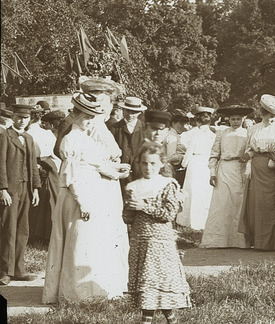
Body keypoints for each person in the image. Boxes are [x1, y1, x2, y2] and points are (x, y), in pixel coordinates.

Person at [42, 92, 130, 303]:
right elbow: (72, 177)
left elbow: (97, 164)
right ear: (76, 116)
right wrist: (83, 202)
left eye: (93, 118)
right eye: (87, 118)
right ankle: (77, 293)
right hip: (78, 196)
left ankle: (91, 287)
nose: (90, 122)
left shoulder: (85, 138)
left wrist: (117, 170)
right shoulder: (71, 140)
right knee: (80, 240)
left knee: (91, 240)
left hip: (91, 190)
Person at [123, 142, 191, 324]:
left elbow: (168, 214)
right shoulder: (134, 186)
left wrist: (144, 206)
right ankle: (171, 320)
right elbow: (127, 218)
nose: (148, 168)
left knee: (156, 286)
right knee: (148, 289)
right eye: (144, 163)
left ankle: (159, 320)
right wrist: (130, 205)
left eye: (153, 163)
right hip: (140, 242)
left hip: (159, 243)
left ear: (161, 164)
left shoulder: (167, 184)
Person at [238, 95, 275, 251]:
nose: (272, 119)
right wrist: (247, 156)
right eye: (270, 116)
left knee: (274, 204)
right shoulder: (252, 129)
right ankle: (260, 242)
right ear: (262, 114)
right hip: (257, 169)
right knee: (259, 204)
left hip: (274, 169)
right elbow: (250, 149)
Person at [201, 105, 253, 248]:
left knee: (238, 202)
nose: (235, 122)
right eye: (233, 119)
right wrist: (212, 172)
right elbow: (214, 154)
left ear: (243, 119)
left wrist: (248, 166)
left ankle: (239, 241)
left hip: (240, 168)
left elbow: (251, 152)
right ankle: (220, 240)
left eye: (238, 119)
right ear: (228, 119)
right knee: (223, 203)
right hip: (224, 168)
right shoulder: (222, 133)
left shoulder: (247, 133)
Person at [0, 104, 41, 285]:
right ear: (13, 118)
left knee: (23, 229)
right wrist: (2, 189)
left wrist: (36, 188)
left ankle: (18, 269)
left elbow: (33, 165)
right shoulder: (4, 137)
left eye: (25, 118)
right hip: (10, 190)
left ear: (29, 119)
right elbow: (0, 164)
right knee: (8, 229)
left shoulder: (29, 138)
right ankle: (4, 271)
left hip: (27, 189)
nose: (22, 120)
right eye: (18, 117)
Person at [176, 106, 216, 230]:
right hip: (207, 164)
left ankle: (191, 221)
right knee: (205, 192)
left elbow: (189, 150)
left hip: (195, 163)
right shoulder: (214, 134)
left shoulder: (193, 133)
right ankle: (203, 221)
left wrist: (184, 164)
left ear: (197, 120)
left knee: (192, 191)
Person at [27, 107, 61, 242]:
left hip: (37, 164)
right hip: (50, 165)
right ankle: (47, 232)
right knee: (50, 198)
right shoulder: (47, 133)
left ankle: (36, 231)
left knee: (36, 198)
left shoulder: (28, 134)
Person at [110, 96, 147, 178]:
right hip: (120, 174)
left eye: (134, 112)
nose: (130, 115)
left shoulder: (145, 129)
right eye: (127, 111)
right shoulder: (114, 128)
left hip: (139, 174)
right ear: (123, 110)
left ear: (139, 112)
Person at [164, 109, 189, 187]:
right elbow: (170, 157)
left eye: (184, 124)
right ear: (173, 123)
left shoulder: (175, 135)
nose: (182, 127)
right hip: (171, 170)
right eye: (180, 124)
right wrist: (185, 156)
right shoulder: (172, 137)